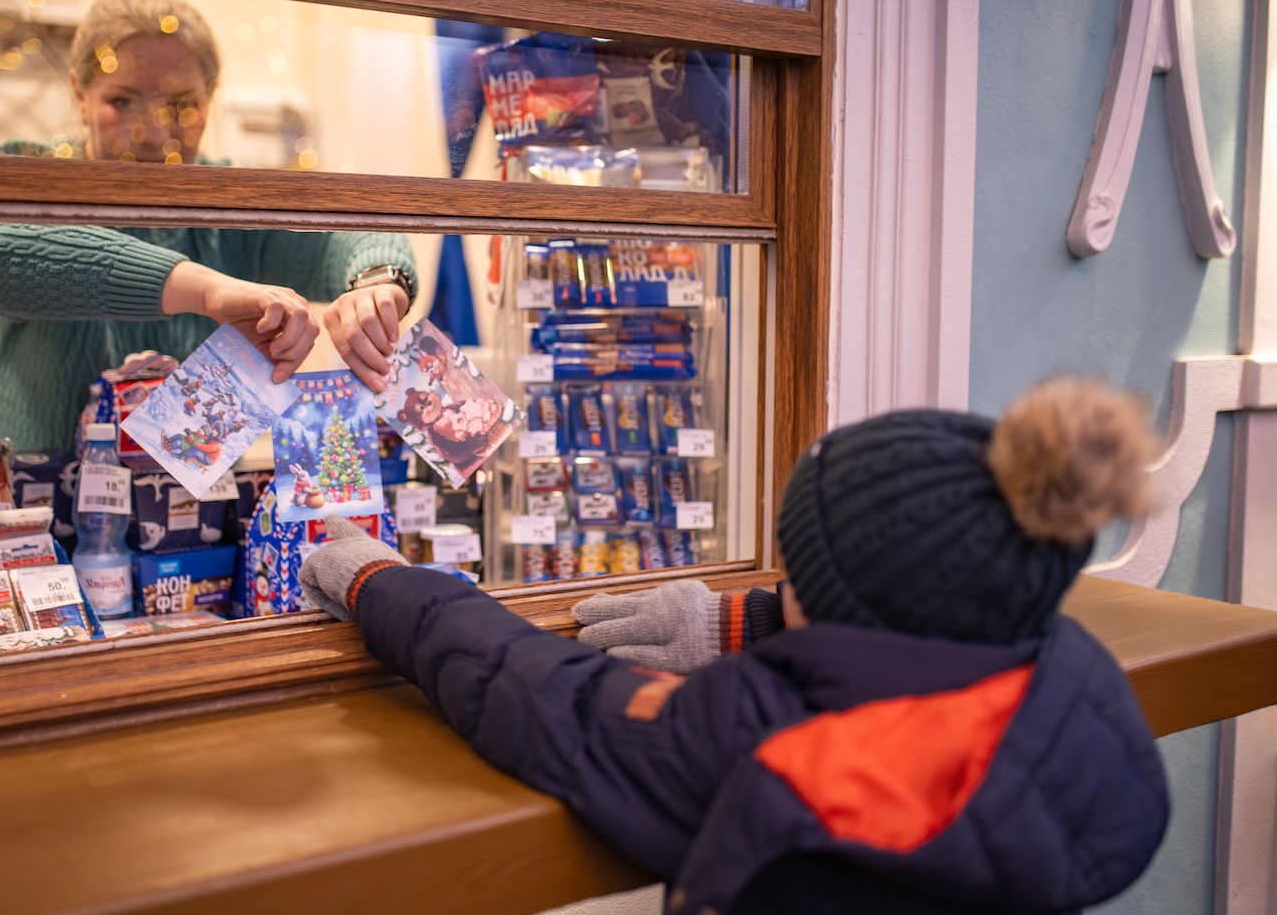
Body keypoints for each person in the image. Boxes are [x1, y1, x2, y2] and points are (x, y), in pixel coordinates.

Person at [299, 378, 1171, 914]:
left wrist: (385, 584)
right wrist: (747, 626)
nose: (781, 582)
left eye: (794, 576)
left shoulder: (772, 742)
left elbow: (549, 696)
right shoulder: (1070, 669)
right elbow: (904, 651)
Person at [0, 0, 415, 451]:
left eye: (181, 106)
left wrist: (375, 287)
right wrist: (205, 290)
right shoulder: (32, 173)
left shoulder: (227, 198)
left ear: (209, 102)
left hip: (198, 497)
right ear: (79, 92)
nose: (154, 134)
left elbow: (357, 234)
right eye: (123, 102)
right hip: (24, 497)